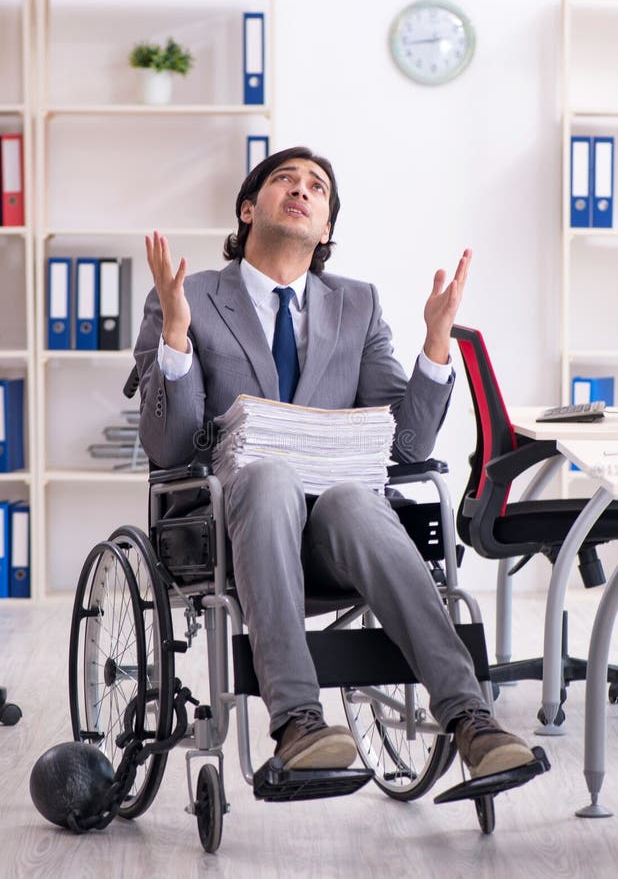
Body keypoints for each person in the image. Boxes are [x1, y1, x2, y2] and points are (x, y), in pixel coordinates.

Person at [134, 145, 538, 780]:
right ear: (249, 209)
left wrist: (435, 345)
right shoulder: (187, 296)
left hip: (331, 538)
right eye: (285, 180)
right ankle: (298, 721)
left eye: (317, 187)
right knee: (270, 476)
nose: (301, 189)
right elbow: (171, 448)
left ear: (326, 229)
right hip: (226, 533)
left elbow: (407, 447)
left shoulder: (358, 305)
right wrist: (177, 337)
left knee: (354, 496)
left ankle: (470, 718)